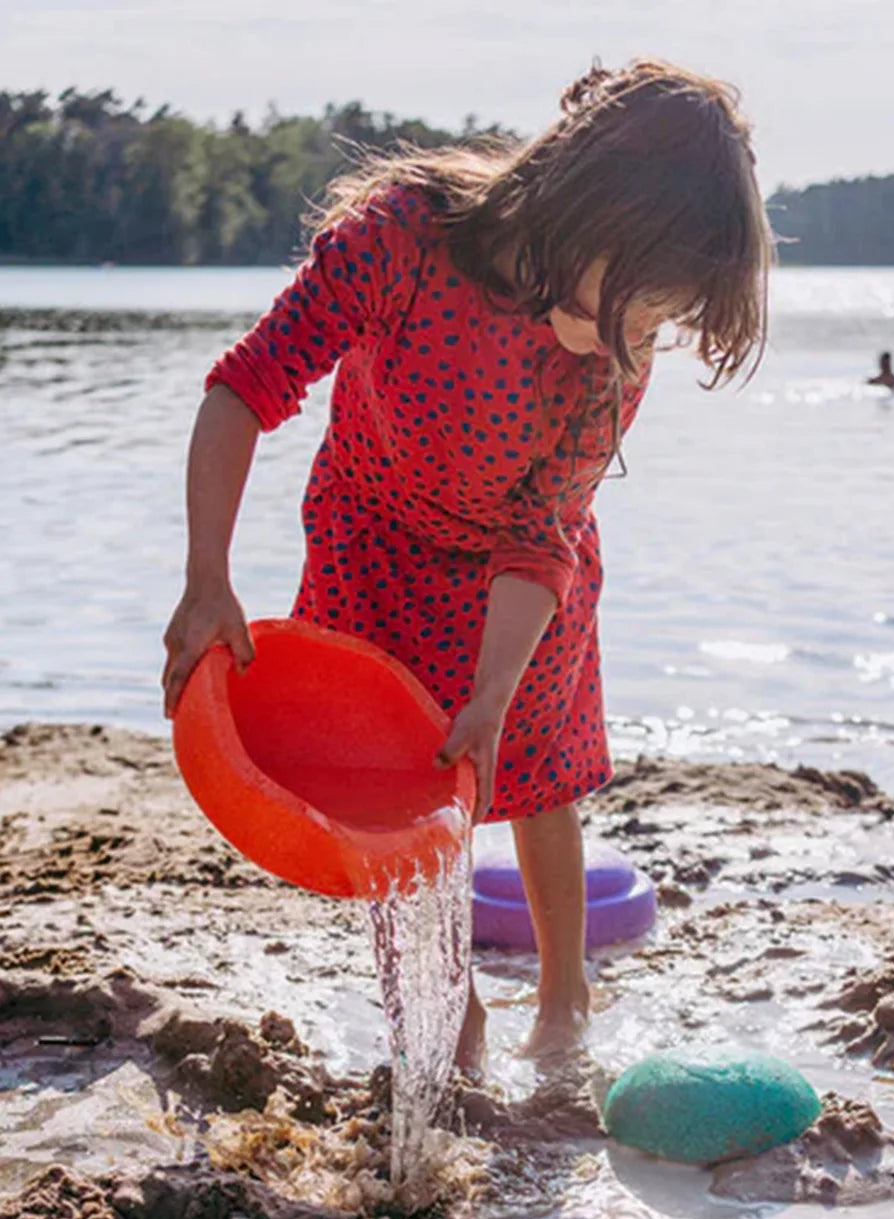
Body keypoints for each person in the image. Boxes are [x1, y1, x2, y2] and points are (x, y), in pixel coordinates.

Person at [161, 59, 772, 1070]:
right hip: (372, 545)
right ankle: (449, 1004)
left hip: (525, 572)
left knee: (532, 769)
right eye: (635, 305)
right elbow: (243, 388)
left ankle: (564, 991)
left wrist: (493, 690)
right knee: (391, 788)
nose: (636, 341)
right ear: (586, 214)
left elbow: (545, 531)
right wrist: (206, 577)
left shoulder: (607, 361)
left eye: (657, 323)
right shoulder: (403, 240)